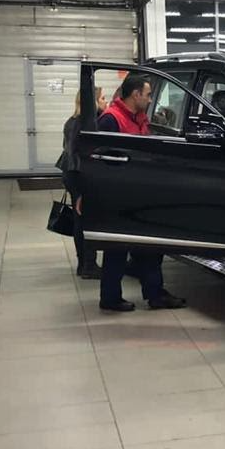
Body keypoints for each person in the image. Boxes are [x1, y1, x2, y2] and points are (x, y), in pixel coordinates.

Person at [96, 74, 186, 312]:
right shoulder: (111, 120)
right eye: (147, 95)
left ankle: (155, 294)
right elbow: (101, 160)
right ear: (135, 95)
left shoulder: (140, 119)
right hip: (118, 195)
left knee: (151, 247)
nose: (150, 99)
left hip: (140, 192)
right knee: (117, 249)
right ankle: (110, 298)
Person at [56, 88, 104, 279]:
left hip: (71, 173)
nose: (106, 101)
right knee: (86, 219)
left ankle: (83, 264)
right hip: (79, 174)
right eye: (102, 98)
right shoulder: (86, 124)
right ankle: (88, 265)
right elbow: (82, 154)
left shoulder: (72, 121)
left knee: (80, 219)